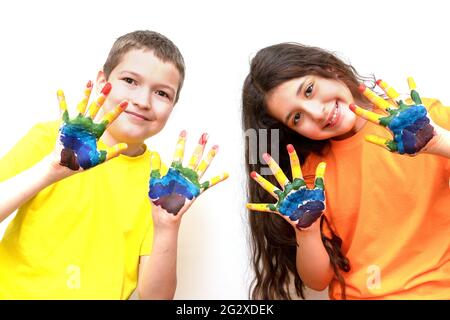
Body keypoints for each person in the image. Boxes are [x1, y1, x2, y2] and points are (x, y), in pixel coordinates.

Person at [0, 30, 227, 299]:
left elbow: (156, 298)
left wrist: (167, 226)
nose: (143, 101)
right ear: (101, 82)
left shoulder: (162, 185)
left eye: (162, 93)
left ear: (173, 106)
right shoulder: (51, 141)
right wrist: (50, 171)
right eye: (130, 80)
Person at [242, 42, 450, 299]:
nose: (317, 112)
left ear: (330, 69)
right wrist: (306, 231)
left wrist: (439, 143)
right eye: (297, 117)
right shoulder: (309, 178)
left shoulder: (420, 120)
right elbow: (318, 280)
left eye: (309, 90)